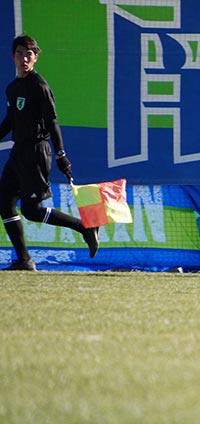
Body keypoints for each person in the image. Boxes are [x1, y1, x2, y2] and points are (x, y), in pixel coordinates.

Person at [0, 35, 98, 271]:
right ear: (13, 56)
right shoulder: (12, 88)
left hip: (37, 153)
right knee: (4, 201)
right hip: (18, 153)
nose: (24, 59)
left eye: (29, 54)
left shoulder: (39, 87)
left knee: (31, 211)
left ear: (36, 58)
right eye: (20, 53)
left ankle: (84, 227)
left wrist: (61, 154)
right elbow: (10, 121)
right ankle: (24, 260)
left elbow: (52, 123)